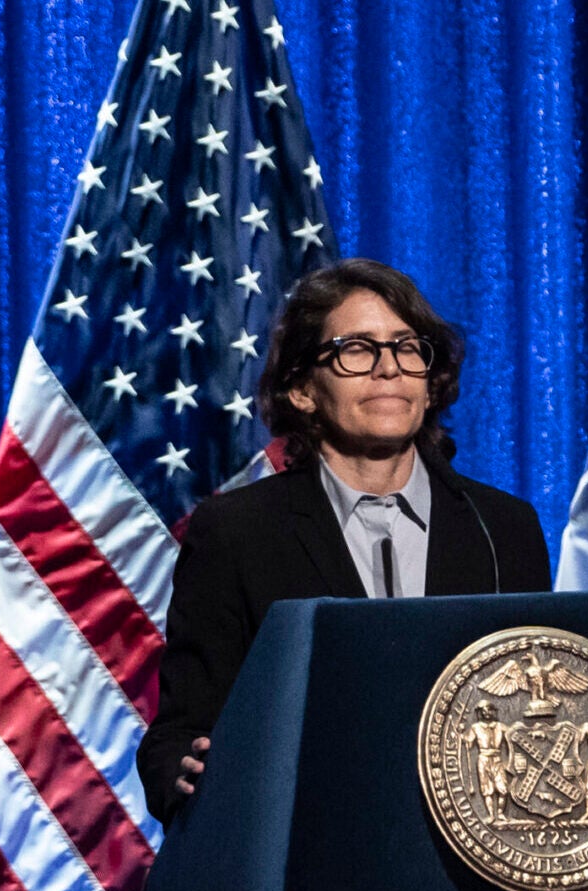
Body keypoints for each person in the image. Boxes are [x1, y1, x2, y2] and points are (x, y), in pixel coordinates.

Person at [137, 258, 552, 821]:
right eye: (356, 349)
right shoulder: (237, 533)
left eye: (407, 348)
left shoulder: (502, 528)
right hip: (312, 841)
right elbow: (180, 733)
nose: (389, 368)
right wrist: (186, 774)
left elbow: (539, 704)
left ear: (430, 383)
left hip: (473, 846)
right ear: (302, 389)